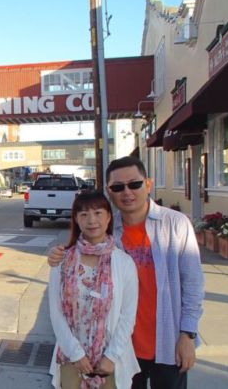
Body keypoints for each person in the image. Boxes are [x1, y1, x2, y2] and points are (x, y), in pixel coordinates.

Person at [48, 157, 204, 389]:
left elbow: (193, 285)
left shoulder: (175, 224)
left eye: (135, 184)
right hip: (122, 349)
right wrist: (58, 255)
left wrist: (188, 335)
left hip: (168, 342)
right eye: (118, 187)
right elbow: (81, 258)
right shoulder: (109, 230)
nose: (127, 192)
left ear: (148, 184)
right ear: (109, 192)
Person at [49, 191, 139, 389]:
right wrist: (76, 354)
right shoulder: (61, 260)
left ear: (108, 217)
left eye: (98, 213)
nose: (91, 220)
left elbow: (128, 316)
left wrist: (111, 356)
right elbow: (56, 313)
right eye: (84, 214)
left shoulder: (124, 263)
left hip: (110, 360)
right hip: (71, 357)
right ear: (76, 219)